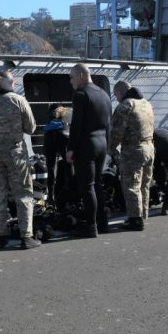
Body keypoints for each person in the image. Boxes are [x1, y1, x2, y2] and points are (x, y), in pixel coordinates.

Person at [0, 71, 39, 250]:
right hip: (15, 152)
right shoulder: (18, 100)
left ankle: (0, 236)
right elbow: (31, 128)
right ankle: (26, 236)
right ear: (9, 83)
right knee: (23, 193)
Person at [66, 63, 112, 237]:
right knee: (98, 184)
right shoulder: (104, 94)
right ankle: (103, 222)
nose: (70, 81)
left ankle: (91, 226)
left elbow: (76, 126)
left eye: (71, 77)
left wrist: (71, 148)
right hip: (102, 144)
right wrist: (107, 145)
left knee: (87, 186)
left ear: (81, 75)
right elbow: (108, 124)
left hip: (86, 145)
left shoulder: (80, 94)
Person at [108, 82, 155, 231]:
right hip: (149, 147)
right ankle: (143, 214)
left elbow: (116, 132)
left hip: (133, 150)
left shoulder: (125, 106)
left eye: (116, 95)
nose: (116, 99)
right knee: (144, 184)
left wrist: (110, 149)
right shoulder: (146, 103)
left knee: (131, 185)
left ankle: (135, 220)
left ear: (121, 92)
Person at [42, 104, 72, 208]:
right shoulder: (68, 112)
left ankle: (50, 197)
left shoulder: (49, 116)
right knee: (68, 164)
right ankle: (68, 192)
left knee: (51, 168)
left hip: (49, 137)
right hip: (63, 136)